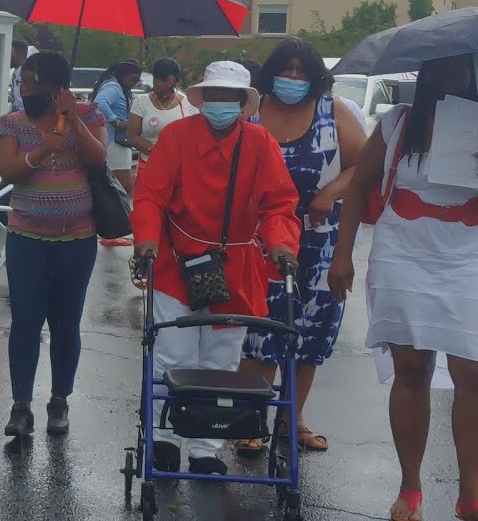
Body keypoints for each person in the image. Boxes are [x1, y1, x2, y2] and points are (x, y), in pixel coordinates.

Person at [130, 61, 300, 475]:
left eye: (230, 96)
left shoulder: (261, 143)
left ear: (243, 102)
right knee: (174, 352)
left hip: (235, 264)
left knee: (222, 361)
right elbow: (150, 195)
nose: (221, 103)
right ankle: (165, 438)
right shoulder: (175, 136)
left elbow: (279, 205)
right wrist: (146, 236)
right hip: (176, 260)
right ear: (203, 99)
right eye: (215, 95)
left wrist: (280, 245)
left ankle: (206, 447)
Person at [329, 53, 478, 521]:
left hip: (467, 256)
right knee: (411, 371)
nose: (450, 75)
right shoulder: (399, 122)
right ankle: (410, 486)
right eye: (439, 67)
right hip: (404, 254)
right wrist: (341, 255)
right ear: (425, 74)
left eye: (461, 66)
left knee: (472, 374)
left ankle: (470, 492)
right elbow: (359, 187)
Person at [234, 39, 366, 455]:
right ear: (271, 71)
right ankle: (250, 420)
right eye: (286, 69)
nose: (293, 77)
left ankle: (293, 419)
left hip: (320, 242)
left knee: (309, 335)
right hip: (258, 242)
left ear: (315, 77)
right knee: (259, 333)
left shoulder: (333, 111)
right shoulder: (251, 112)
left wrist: (330, 191)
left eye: (301, 71)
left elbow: (364, 164)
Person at [0, 51, 108, 437]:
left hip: (77, 240)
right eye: (22, 81)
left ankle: (59, 400)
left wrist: (73, 119)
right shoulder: (11, 124)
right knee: (25, 321)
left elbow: (98, 159)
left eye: (31, 81)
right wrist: (45, 147)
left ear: (55, 87)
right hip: (26, 239)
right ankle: (20, 406)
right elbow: (9, 171)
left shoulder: (88, 115)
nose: (24, 87)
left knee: (66, 322)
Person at [127, 57, 196, 179]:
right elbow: (133, 136)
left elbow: (195, 138)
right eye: (156, 78)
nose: (158, 83)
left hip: (180, 170)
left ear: (177, 80)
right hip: (150, 167)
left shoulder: (188, 104)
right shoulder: (141, 102)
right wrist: (159, 154)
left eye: (164, 79)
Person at [92, 59, 143, 197]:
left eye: (137, 81)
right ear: (123, 75)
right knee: (119, 186)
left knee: (123, 184)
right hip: (115, 141)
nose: (134, 84)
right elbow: (99, 102)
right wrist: (115, 121)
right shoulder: (114, 87)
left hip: (119, 140)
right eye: (132, 79)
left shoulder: (122, 88)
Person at [9, 40, 30, 113]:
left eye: (10, 53)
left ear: (19, 54)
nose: (7, 56)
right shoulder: (16, 73)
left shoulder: (28, 75)